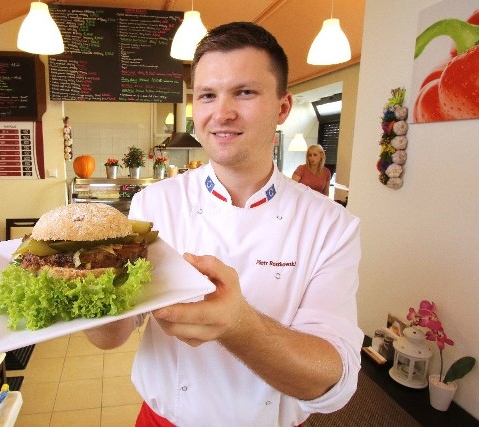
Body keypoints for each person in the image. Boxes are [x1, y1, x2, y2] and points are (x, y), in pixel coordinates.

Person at [85, 22, 362, 427]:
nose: (222, 112)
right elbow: (112, 337)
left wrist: (238, 325)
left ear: (283, 108)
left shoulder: (330, 225)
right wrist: (90, 289)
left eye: (245, 92)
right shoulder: (154, 202)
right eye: (208, 95)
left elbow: (332, 381)